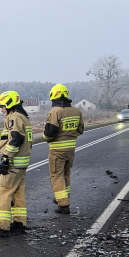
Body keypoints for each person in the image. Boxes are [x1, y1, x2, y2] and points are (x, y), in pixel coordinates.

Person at [0, 91, 32, 238]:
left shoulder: (14, 118)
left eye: (3, 106)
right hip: (21, 163)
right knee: (18, 192)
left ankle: (1, 227)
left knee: (3, 192)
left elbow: (16, 139)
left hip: (13, 163)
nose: (1, 110)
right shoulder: (23, 117)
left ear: (10, 104)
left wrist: (6, 159)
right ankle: (19, 223)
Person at [43, 84, 84, 214]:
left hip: (57, 150)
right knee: (66, 174)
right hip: (71, 149)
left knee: (56, 176)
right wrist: (70, 138)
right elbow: (80, 130)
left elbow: (50, 133)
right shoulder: (76, 111)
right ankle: (64, 197)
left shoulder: (55, 111)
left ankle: (63, 204)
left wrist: (45, 138)